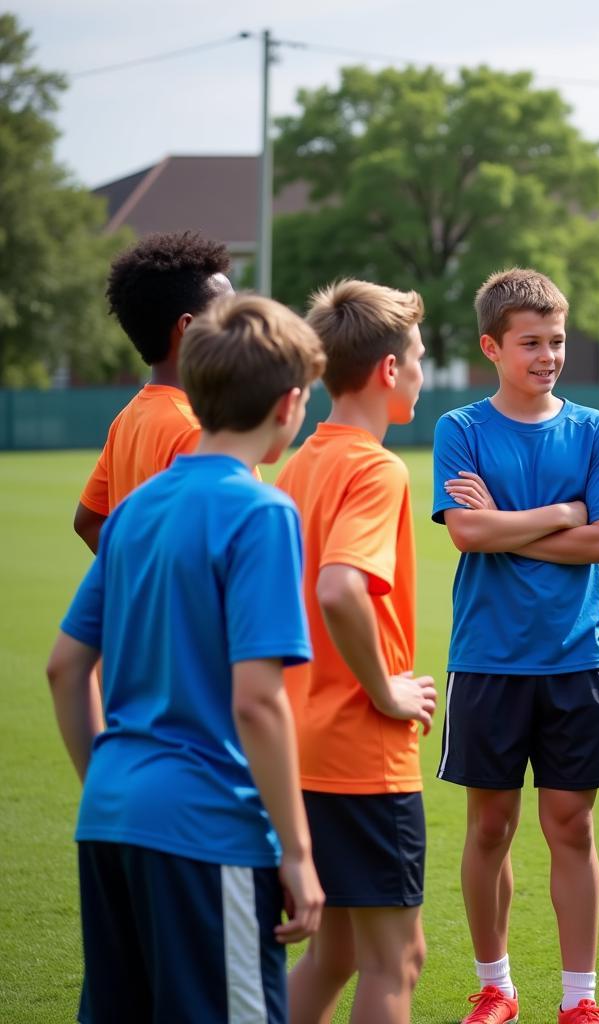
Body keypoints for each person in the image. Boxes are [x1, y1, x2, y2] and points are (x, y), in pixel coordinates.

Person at [46, 294, 327, 1023]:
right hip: (211, 828)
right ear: (290, 404)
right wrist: (297, 854)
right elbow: (257, 701)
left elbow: (66, 668)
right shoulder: (263, 513)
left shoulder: (136, 509)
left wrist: (114, 783)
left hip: (110, 817)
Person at [433, 268, 599, 1024]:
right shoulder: (460, 430)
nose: (547, 354)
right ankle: (496, 987)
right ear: (492, 346)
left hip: (577, 658)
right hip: (485, 659)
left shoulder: (594, 430)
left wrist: (509, 527)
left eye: (555, 340)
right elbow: (465, 532)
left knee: (572, 826)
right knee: (490, 826)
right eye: (530, 343)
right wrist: (561, 512)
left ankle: (579, 1000)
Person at [279, 279, 437, 1024]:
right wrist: (386, 691)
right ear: (387, 371)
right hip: (362, 753)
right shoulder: (376, 469)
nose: (422, 372)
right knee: (395, 960)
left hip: (301, 745)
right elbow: (342, 589)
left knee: (335, 953)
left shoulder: (301, 461)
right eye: (419, 358)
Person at [74, 230, 234, 553]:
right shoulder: (201, 431)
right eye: (230, 314)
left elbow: (88, 521)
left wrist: (137, 582)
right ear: (188, 327)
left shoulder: (129, 418)